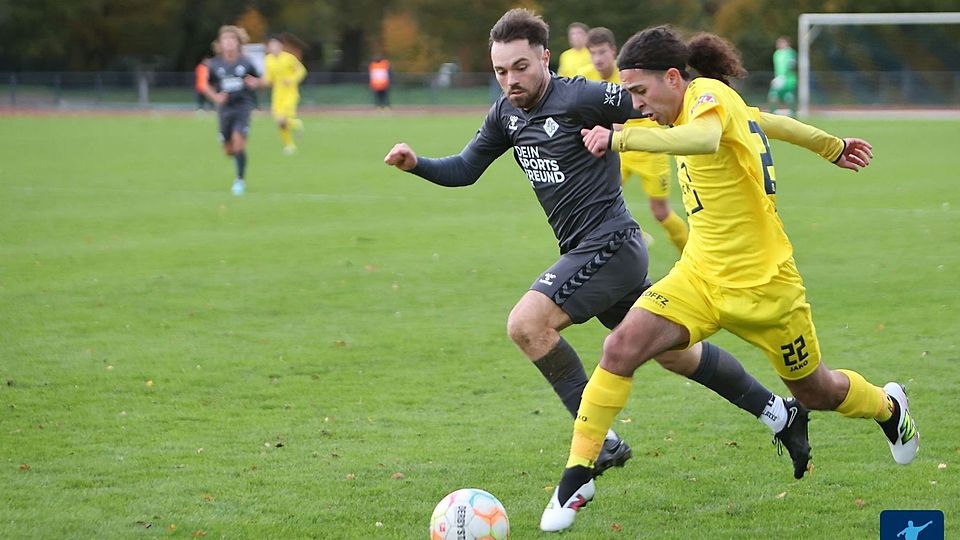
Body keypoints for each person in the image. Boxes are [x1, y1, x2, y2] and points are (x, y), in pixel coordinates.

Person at [385, 8, 814, 497]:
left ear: (545, 58)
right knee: (676, 354)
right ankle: (780, 413)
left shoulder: (585, 96)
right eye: (501, 71)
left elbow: (658, 106)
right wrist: (416, 163)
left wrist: (711, 114)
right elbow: (464, 168)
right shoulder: (505, 115)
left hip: (611, 244)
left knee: (527, 324)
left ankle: (601, 442)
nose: (510, 80)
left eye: (521, 67)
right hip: (591, 255)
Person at [540, 25, 919, 532]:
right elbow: (771, 123)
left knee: (817, 392)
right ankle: (577, 476)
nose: (634, 102)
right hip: (699, 277)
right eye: (629, 94)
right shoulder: (696, 106)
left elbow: (706, 138)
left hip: (767, 288)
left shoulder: (708, 96)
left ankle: (887, 406)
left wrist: (621, 136)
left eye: (639, 91)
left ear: (674, 78)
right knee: (620, 347)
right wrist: (831, 145)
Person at [576, 27, 687, 253]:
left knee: (660, 211)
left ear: (613, 51)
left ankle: (690, 252)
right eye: (593, 53)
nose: (598, 58)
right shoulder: (584, 77)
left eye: (602, 52)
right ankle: (632, 236)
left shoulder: (629, 74)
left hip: (649, 148)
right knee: (597, 202)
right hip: (618, 150)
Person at [202, 25, 261, 196]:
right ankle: (231, 147)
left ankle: (239, 180)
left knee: (238, 141)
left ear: (238, 42)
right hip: (225, 110)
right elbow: (207, 86)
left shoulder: (247, 62)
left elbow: (259, 80)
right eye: (225, 39)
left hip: (243, 106)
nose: (228, 42)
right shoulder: (214, 64)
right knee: (229, 149)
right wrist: (216, 97)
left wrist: (255, 83)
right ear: (220, 43)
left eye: (232, 39)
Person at [264, 34, 306, 155]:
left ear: (281, 46)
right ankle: (289, 145)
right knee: (279, 122)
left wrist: (292, 79)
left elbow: (302, 71)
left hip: (290, 93)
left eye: (275, 45)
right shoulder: (268, 60)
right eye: (271, 45)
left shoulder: (289, 58)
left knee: (283, 119)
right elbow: (269, 78)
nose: (273, 47)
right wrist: (261, 82)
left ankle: (296, 124)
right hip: (277, 94)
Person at [768, 36, 797, 117]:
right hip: (778, 79)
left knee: (789, 97)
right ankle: (772, 114)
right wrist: (777, 78)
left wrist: (784, 76)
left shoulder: (790, 53)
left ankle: (793, 114)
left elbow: (791, 66)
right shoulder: (776, 54)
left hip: (788, 79)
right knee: (773, 96)